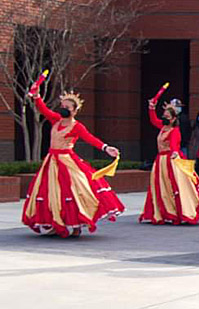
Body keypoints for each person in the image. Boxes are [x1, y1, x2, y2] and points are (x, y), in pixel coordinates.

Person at [23, 83, 124, 237]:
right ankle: (54, 222)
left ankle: (77, 224)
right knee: (50, 192)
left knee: (75, 191)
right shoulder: (56, 119)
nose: (63, 108)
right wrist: (36, 96)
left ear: (75, 110)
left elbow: (90, 138)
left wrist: (105, 147)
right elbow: (43, 109)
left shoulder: (77, 126)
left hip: (67, 161)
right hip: (51, 161)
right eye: (62, 105)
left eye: (67, 107)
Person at [140, 96, 199, 225]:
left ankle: (176, 211)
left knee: (175, 186)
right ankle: (164, 211)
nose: (164, 118)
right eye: (164, 115)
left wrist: (175, 153)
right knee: (161, 187)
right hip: (160, 160)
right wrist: (151, 107)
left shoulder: (174, 130)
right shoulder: (162, 127)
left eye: (167, 116)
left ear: (174, 118)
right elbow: (153, 120)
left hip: (171, 159)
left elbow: (175, 145)